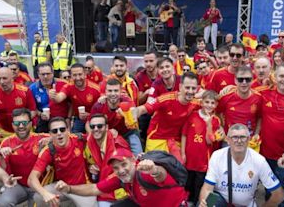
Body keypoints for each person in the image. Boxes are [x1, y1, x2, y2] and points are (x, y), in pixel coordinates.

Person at [54, 148, 189, 207]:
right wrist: (69, 188)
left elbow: (161, 175)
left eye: (124, 164)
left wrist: (153, 169)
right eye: (116, 168)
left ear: (133, 160)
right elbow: (94, 189)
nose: (121, 170)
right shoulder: (120, 177)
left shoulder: (143, 171)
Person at [199, 123, 284, 207]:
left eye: (243, 137)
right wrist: (205, 203)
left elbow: (279, 195)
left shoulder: (259, 161)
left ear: (248, 140)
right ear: (228, 140)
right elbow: (207, 188)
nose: (239, 141)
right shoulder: (217, 156)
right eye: (234, 137)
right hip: (221, 202)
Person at [28, 116, 97, 207]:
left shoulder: (79, 139)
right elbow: (31, 179)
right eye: (55, 131)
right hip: (60, 186)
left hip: (82, 187)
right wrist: (45, 194)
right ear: (50, 134)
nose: (59, 133)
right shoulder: (49, 150)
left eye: (62, 129)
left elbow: (97, 138)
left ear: (68, 130)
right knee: (38, 197)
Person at [257, 63, 284, 206]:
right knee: (270, 192)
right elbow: (242, 89)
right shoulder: (264, 93)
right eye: (281, 76)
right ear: (275, 77)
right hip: (266, 154)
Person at [134, 72, 199, 160]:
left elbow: (213, 101)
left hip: (176, 142)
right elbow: (145, 108)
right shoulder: (166, 99)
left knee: (178, 170)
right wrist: (134, 112)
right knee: (152, 168)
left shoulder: (196, 103)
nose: (190, 91)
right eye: (187, 88)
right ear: (180, 87)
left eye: (193, 88)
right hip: (157, 139)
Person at [0, 108, 49, 207]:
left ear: (31, 124)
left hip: (39, 186)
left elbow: (64, 136)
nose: (21, 126)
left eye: (24, 123)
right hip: (18, 185)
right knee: (3, 203)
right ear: (12, 125)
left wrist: (51, 138)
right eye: (17, 123)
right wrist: (1, 155)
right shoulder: (6, 142)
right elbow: (0, 170)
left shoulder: (40, 138)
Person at [181, 90, 223, 206]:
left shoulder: (216, 121)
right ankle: (185, 202)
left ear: (216, 105)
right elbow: (184, 134)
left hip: (203, 161)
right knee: (188, 183)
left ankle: (197, 203)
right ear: (202, 102)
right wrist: (183, 153)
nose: (209, 105)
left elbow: (209, 141)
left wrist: (209, 125)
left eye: (212, 103)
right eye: (207, 102)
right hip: (190, 158)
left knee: (199, 185)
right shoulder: (193, 115)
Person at [0, 67, 37, 155]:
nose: (2, 82)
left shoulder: (24, 91)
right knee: (2, 157)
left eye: (5, 78)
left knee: (25, 155)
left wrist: (21, 124)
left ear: (12, 78)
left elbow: (33, 111)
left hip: (23, 130)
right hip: (3, 131)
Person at [84, 113, 130, 206]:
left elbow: (128, 169)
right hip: (102, 189)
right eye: (92, 126)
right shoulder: (89, 142)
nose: (96, 129)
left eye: (100, 126)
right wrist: (91, 167)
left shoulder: (117, 142)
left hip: (120, 190)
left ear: (106, 127)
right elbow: (88, 162)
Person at [90, 79, 143, 155]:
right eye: (110, 91)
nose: (113, 94)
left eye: (116, 91)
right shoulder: (99, 106)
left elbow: (133, 118)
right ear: (105, 92)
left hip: (128, 133)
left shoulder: (127, 101)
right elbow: (89, 123)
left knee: (138, 155)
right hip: (106, 135)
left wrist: (124, 113)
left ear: (120, 92)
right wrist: (106, 132)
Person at [53, 63, 101, 133]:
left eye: (80, 74)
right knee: (75, 138)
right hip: (79, 119)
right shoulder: (69, 86)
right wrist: (54, 96)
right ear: (71, 76)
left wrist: (90, 115)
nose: (78, 78)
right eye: (74, 75)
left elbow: (102, 109)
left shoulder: (95, 89)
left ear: (85, 74)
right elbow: (59, 98)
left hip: (95, 119)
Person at [217, 66, 262, 137]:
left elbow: (260, 117)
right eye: (240, 79)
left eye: (247, 79)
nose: (244, 82)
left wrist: (256, 133)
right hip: (229, 140)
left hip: (249, 141)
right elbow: (217, 113)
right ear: (235, 80)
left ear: (252, 80)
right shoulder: (225, 97)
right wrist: (221, 127)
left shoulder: (258, 98)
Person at [29, 62, 70, 133]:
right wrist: (40, 114)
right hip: (43, 120)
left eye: (48, 74)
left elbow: (71, 104)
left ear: (53, 73)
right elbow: (32, 108)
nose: (45, 76)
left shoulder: (64, 84)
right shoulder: (32, 88)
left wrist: (68, 118)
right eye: (42, 74)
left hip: (62, 119)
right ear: (38, 75)